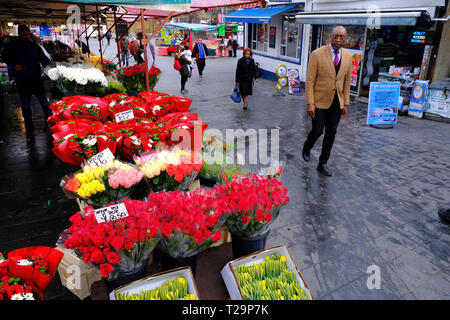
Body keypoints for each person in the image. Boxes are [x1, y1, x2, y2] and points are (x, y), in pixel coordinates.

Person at [302, 26, 352, 177]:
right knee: (317, 131)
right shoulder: (317, 54)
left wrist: (346, 103)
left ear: (345, 39)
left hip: (337, 102)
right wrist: (310, 103)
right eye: (336, 36)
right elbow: (310, 81)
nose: (338, 39)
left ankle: (322, 163)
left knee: (331, 133)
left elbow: (346, 82)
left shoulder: (348, 56)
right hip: (319, 101)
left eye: (341, 37)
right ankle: (307, 146)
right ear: (331, 37)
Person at [2, 25, 53, 136]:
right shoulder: (12, 46)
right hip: (22, 79)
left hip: (35, 78)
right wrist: (14, 65)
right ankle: (28, 127)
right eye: (24, 34)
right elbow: (4, 57)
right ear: (19, 33)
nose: (26, 36)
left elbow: (44, 60)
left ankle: (52, 123)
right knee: (25, 105)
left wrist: (50, 68)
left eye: (28, 34)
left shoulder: (34, 46)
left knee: (44, 102)